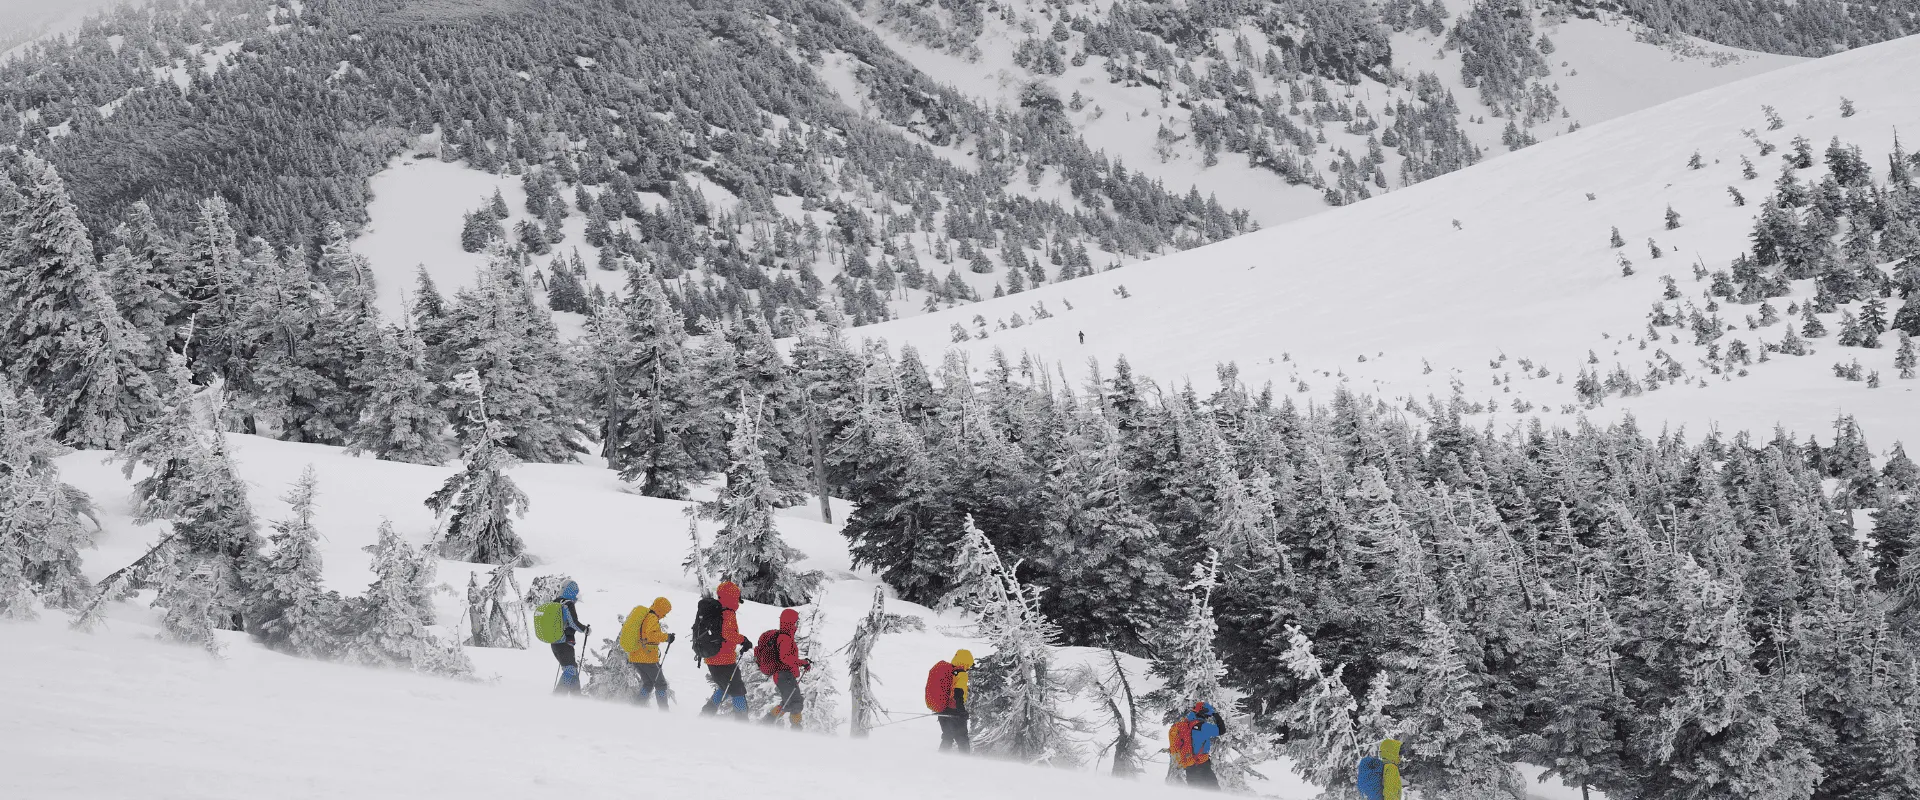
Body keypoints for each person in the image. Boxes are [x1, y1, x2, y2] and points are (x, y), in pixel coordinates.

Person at [701, 581, 752, 718]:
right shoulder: (727, 613)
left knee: (725, 688)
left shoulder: (717, 611)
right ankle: (742, 722)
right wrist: (743, 640)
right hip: (724, 659)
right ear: (733, 596)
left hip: (712, 658)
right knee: (737, 690)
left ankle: (705, 716)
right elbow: (727, 633)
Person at [760, 608, 810, 729]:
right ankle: (794, 729)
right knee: (794, 703)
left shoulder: (785, 636)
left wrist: (801, 662)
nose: (797, 624)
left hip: (785, 675)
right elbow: (785, 658)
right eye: (796, 621)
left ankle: (767, 723)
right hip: (784, 675)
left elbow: (787, 657)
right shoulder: (785, 638)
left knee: (791, 703)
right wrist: (802, 663)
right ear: (790, 622)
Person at [623, 596, 674, 708]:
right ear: (661, 609)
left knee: (648, 684)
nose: (664, 615)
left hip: (636, 656)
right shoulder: (652, 617)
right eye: (665, 612)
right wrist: (667, 637)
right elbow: (650, 635)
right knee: (661, 684)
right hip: (647, 658)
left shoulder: (646, 616)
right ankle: (664, 712)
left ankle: (637, 707)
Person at [1174, 701, 1224, 790]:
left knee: (1195, 793)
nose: (1207, 718)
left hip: (1188, 764)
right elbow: (1222, 730)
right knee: (1214, 792)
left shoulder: (1184, 725)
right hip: (1201, 764)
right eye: (1207, 716)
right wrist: (1215, 714)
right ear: (1203, 714)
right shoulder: (1203, 726)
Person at [551, 581, 590, 694]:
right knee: (570, 670)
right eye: (576, 592)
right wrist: (585, 629)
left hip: (555, 643)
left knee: (573, 668)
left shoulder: (555, 602)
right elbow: (573, 622)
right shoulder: (568, 604)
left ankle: (576, 696)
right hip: (564, 643)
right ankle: (558, 696)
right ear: (572, 592)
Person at [937, 649, 973, 753]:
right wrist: (962, 712)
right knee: (962, 738)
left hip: (943, 710)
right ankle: (965, 759)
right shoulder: (961, 674)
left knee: (947, 737)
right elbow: (958, 693)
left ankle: (939, 758)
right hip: (955, 712)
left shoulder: (949, 672)